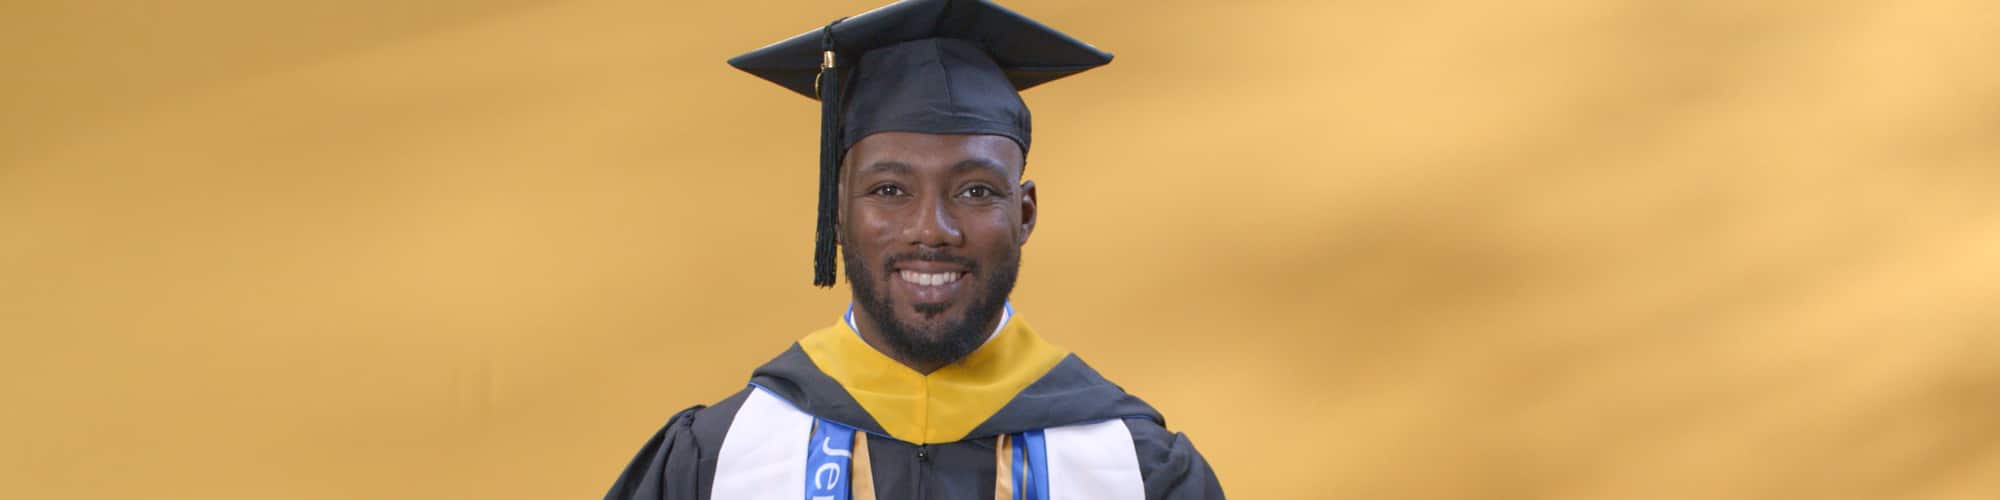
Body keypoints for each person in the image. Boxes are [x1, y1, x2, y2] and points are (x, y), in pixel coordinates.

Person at [604, 1, 1224, 498]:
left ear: (1025, 213)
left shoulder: (1135, 470)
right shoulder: (714, 463)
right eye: (890, 190)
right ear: (838, 212)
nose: (931, 229)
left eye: (976, 190)